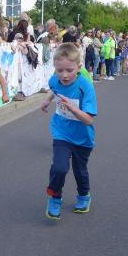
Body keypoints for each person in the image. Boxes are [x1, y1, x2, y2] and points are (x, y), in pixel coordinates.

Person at [40, 43, 97, 220]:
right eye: (60, 70)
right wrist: (47, 99)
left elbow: (89, 120)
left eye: (69, 70)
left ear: (78, 67)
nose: (64, 75)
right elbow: (54, 88)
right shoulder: (54, 80)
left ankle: (84, 195)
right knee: (59, 168)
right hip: (61, 131)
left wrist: (72, 108)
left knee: (80, 170)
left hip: (82, 137)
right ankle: (55, 197)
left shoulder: (86, 86)